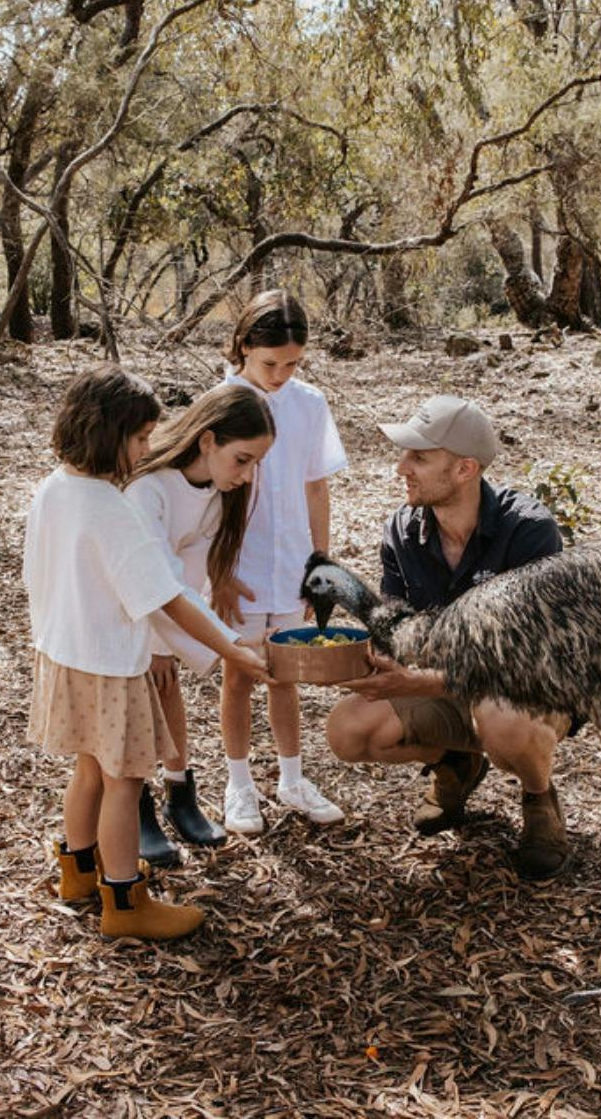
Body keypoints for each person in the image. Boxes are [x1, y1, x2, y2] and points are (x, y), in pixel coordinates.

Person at [23, 366, 272, 940]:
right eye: (139, 440)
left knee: (89, 770)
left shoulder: (55, 488)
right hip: (111, 665)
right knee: (125, 781)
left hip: (64, 652)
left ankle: (77, 872)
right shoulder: (114, 511)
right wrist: (233, 648)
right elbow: (168, 598)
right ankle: (124, 901)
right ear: (109, 435)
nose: (146, 451)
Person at [325, 395, 573, 880]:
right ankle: (456, 763)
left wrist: (418, 684)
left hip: (527, 688)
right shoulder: (403, 530)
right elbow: (397, 630)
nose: (402, 468)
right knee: (348, 730)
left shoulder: (528, 533)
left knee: (501, 719)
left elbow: (523, 662)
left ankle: (539, 795)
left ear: (464, 469)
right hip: (444, 681)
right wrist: (364, 658)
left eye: (419, 457)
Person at [124, 385, 276, 868]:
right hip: (128, 609)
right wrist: (164, 643)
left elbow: (192, 568)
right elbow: (153, 575)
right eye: (242, 460)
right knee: (138, 705)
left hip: (171, 608)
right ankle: (137, 804)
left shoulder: (215, 489)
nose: (248, 475)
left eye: (255, 464)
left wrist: (216, 593)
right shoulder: (147, 488)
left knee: (168, 694)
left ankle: (179, 791)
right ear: (207, 440)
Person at [219, 289, 349, 833]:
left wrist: (319, 564)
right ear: (244, 346)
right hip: (239, 565)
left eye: (292, 363)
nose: (280, 374)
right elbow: (209, 498)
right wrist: (218, 571)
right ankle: (239, 783)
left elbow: (315, 486)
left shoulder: (309, 404)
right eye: (271, 363)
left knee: (285, 674)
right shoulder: (221, 402)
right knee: (240, 674)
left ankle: (292, 778)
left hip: (294, 560)